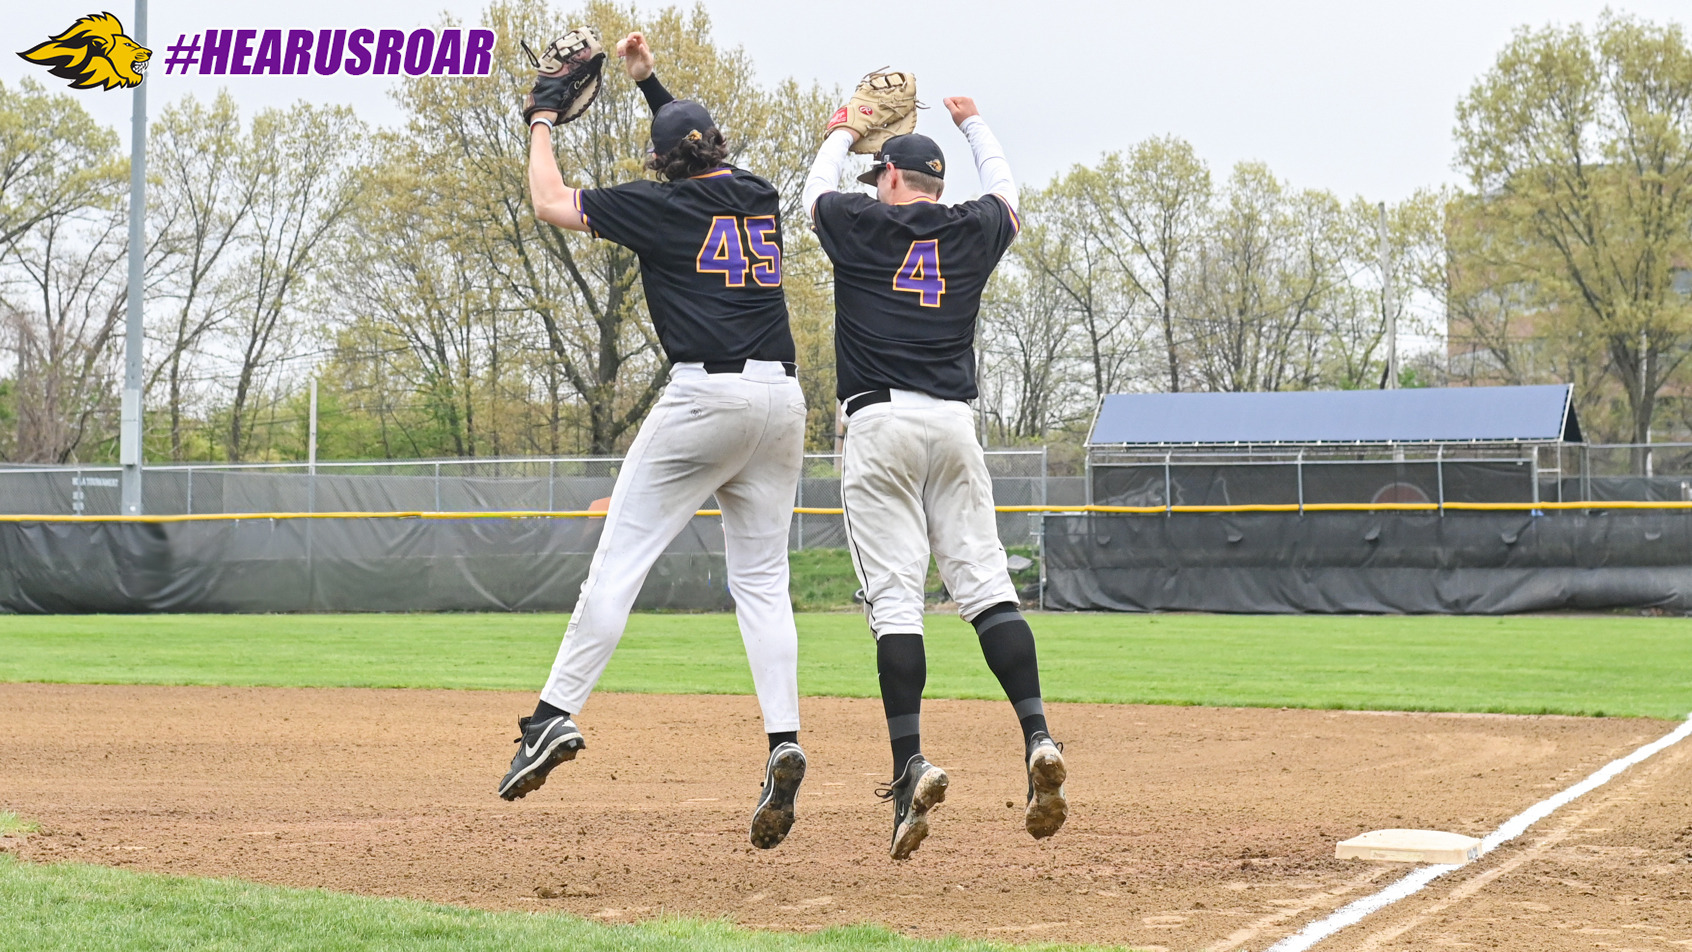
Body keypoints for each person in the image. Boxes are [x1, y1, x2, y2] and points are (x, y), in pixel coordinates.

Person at [500, 32, 809, 852]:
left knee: (619, 565)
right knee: (765, 585)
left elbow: (549, 202)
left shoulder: (660, 205)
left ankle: (553, 717)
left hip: (704, 398)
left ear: (664, 162)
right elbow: (692, 146)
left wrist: (540, 118)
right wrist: (649, 83)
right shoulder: (760, 192)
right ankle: (783, 738)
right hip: (781, 400)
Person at [801, 96, 1068, 860]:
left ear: (889, 179)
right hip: (954, 426)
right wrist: (976, 121)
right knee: (985, 588)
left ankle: (908, 766)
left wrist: (844, 128)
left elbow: (813, 190)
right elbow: (1009, 191)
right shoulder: (971, 228)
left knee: (895, 604)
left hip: (880, 426)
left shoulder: (859, 222)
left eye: (877, 171)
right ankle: (1037, 735)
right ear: (936, 185)